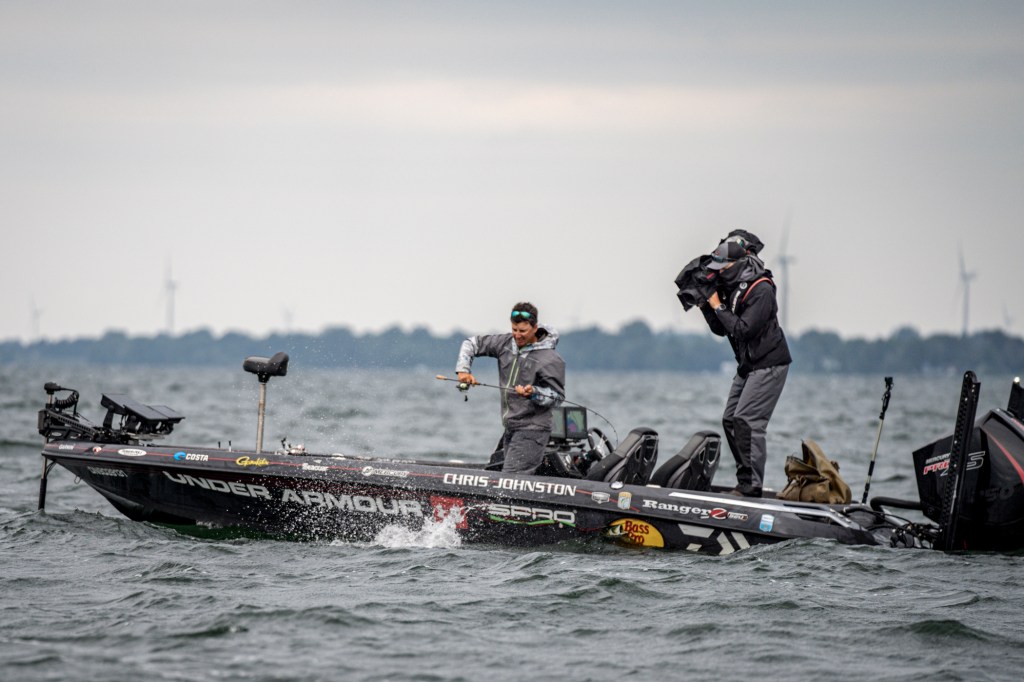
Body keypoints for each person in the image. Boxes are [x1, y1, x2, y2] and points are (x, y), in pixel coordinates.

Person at [699, 234, 792, 497]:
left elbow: (743, 329)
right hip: (748, 365)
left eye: (723, 267)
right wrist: (706, 304)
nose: (719, 272)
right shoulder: (734, 287)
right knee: (730, 419)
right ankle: (745, 482)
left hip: (769, 364)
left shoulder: (762, 289)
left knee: (747, 421)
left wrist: (718, 305)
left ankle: (752, 486)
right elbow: (721, 329)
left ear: (738, 264)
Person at [455, 302, 566, 474]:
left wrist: (534, 393)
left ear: (535, 328)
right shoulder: (505, 343)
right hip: (511, 427)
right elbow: (471, 343)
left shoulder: (550, 359)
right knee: (502, 474)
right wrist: (463, 370)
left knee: (510, 479)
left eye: (523, 331)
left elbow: (557, 397)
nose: (517, 335)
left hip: (533, 430)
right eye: (514, 329)